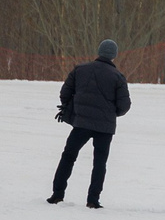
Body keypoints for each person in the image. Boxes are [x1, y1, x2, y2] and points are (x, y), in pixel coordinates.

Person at [51, 40, 131, 208]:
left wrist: (74, 109)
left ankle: (57, 194)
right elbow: (124, 106)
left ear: (99, 52)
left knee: (68, 156)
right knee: (99, 162)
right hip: (105, 127)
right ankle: (93, 200)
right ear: (114, 56)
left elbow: (65, 93)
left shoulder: (80, 70)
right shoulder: (117, 77)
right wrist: (110, 113)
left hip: (81, 123)